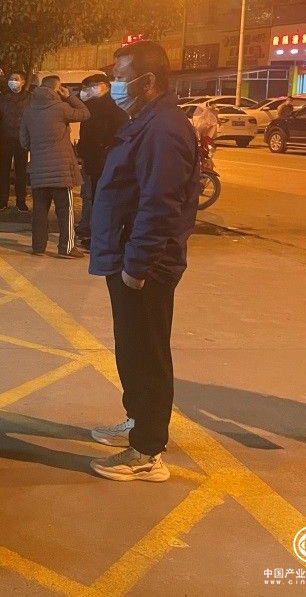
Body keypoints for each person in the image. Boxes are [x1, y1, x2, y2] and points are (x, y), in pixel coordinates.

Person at [88, 40, 200, 483]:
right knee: (131, 348)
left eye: (120, 75)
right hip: (127, 255)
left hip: (145, 265)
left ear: (147, 80)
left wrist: (136, 267)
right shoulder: (146, 121)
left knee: (147, 353)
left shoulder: (164, 129)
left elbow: (160, 205)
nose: (115, 83)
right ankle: (138, 422)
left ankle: (148, 451)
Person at [20, 75, 89, 258]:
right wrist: (69, 96)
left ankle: (38, 247)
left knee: (39, 211)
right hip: (61, 171)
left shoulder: (28, 111)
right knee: (65, 210)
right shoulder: (61, 108)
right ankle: (66, 248)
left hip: (38, 170)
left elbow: (24, 142)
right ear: (57, 88)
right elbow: (85, 113)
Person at [75, 73, 129, 249]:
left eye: (94, 85)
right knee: (92, 199)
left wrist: (103, 151)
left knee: (103, 201)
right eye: (87, 86)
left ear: (106, 86)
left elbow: (118, 138)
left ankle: (101, 238)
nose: (89, 89)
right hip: (92, 161)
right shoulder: (89, 107)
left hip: (105, 162)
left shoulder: (116, 111)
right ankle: (94, 233)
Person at [0, 72, 31, 211]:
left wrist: (27, 133)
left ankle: (21, 200)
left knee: (21, 171)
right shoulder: (2, 97)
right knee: (4, 170)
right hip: (5, 138)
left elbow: (32, 116)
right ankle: (2, 199)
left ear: (23, 82)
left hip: (22, 140)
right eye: (11, 79)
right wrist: (1, 130)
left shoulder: (29, 98)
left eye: (16, 79)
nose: (12, 81)